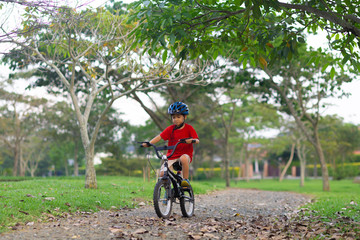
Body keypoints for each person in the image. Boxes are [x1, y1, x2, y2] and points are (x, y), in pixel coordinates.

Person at [142, 101, 199, 187]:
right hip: (171, 156)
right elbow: (160, 137)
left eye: (178, 117)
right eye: (173, 117)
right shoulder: (170, 129)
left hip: (184, 155)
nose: (175, 119)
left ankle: (185, 180)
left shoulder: (189, 128)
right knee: (162, 175)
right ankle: (168, 192)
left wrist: (191, 140)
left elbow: (197, 140)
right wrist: (149, 143)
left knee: (183, 158)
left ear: (185, 117)